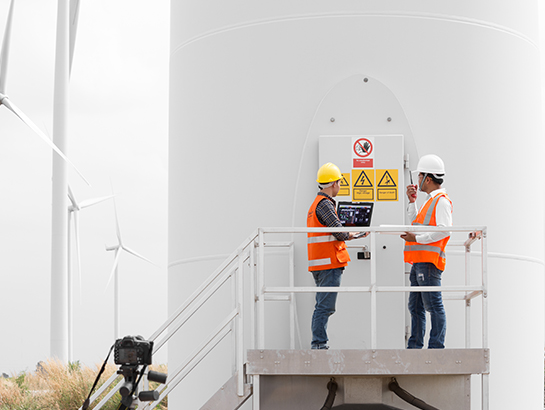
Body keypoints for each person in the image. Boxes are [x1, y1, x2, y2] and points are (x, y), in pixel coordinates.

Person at [307, 162, 368, 350]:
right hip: (328, 264)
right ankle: (319, 344)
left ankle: (319, 343)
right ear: (333, 184)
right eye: (339, 182)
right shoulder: (325, 204)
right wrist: (357, 234)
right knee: (324, 307)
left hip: (321, 263)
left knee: (323, 305)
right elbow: (339, 233)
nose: (340, 186)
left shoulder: (316, 204)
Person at [400, 154, 452, 349]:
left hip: (428, 263)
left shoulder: (441, 201)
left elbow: (444, 230)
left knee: (433, 305)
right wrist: (412, 201)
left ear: (428, 179)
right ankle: (415, 346)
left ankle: (436, 347)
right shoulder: (430, 201)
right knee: (415, 306)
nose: (418, 180)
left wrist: (417, 239)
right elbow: (416, 224)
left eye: (420, 176)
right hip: (419, 261)